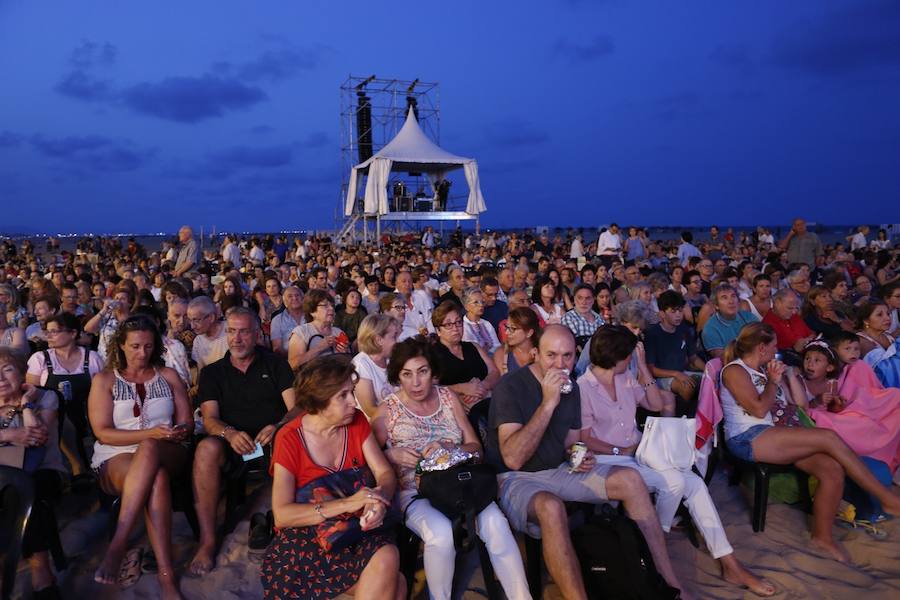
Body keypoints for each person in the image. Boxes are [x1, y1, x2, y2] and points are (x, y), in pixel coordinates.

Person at [487, 325, 687, 599]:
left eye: (568, 356)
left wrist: (579, 455)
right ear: (535, 353)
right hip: (515, 478)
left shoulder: (573, 387)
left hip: (558, 470)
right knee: (551, 507)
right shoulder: (511, 387)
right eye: (551, 355)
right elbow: (513, 458)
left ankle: (668, 582)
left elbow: (572, 443)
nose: (560, 364)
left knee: (631, 480)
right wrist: (548, 403)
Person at [578, 326, 774, 596]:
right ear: (620, 356)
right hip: (607, 461)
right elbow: (584, 437)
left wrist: (644, 369)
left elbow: (656, 403)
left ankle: (728, 561)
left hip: (638, 455)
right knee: (674, 481)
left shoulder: (625, 378)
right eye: (631, 355)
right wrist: (618, 452)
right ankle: (657, 537)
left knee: (693, 483)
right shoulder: (583, 387)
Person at [719, 323, 900, 563]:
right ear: (762, 347)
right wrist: (774, 381)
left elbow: (789, 407)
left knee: (832, 469)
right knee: (828, 437)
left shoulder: (763, 371)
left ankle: (822, 538)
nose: (776, 349)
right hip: (747, 437)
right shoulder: (735, 371)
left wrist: (780, 382)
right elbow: (759, 408)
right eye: (773, 345)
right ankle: (887, 499)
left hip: (773, 434)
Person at [373, 337, 531, 600]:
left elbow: (475, 447)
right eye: (407, 374)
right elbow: (367, 458)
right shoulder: (388, 410)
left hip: (458, 484)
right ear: (397, 376)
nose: (415, 382)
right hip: (415, 490)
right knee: (441, 534)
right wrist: (391, 454)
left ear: (433, 372)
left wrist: (451, 448)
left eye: (422, 372)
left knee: (497, 525)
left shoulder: (447, 397)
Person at [261, 355, 404, 599]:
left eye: (352, 392)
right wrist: (348, 503)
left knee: (388, 557)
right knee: (397, 585)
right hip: (308, 534)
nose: (353, 403)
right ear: (319, 402)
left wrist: (378, 499)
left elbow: (384, 473)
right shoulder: (289, 438)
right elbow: (283, 515)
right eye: (343, 396)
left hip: (357, 527)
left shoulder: (356, 422)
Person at [88, 315, 193, 599]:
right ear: (120, 345)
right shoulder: (104, 380)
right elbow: (103, 433)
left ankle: (118, 545)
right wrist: (151, 434)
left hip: (167, 449)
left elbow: (187, 422)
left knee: (150, 448)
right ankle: (167, 575)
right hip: (117, 454)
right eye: (135, 346)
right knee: (155, 477)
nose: (142, 353)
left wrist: (176, 431)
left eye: (148, 346)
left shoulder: (168, 375)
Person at [190, 307, 295, 575]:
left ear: (258, 333)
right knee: (206, 449)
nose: (237, 339)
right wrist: (229, 433)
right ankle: (208, 539)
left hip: (273, 440)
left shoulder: (275, 364)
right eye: (232, 331)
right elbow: (210, 419)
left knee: (293, 438)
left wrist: (278, 425)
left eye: (244, 331)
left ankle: (277, 524)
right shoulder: (213, 373)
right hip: (233, 443)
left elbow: (296, 409)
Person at [0, 347, 67, 599]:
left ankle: (41, 569)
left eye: (7, 370)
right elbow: (20, 437)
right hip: (3, 475)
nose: (1, 379)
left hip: (43, 471)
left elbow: (37, 437)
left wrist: (27, 405)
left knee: (26, 491)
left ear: (21, 374)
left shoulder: (46, 397)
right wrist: (8, 434)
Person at [26, 312, 104, 477]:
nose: (49, 336)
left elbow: (102, 394)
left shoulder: (92, 358)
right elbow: (32, 393)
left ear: (73, 333)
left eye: (54, 331)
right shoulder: (40, 359)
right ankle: (77, 466)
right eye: (47, 332)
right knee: (59, 415)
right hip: (52, 417)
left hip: (87, 414)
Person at [431, 301, 500, 416]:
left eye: (458, 322)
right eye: (448, 325)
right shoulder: (432, 354)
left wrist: (481, 387)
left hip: (487, 397)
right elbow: (431, 388)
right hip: (456, 408)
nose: (455, 328)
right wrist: (462, 388)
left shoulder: (473, 346)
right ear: (438, 330)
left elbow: (494, 372)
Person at [643, 291, 705, 410]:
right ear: (662, 314)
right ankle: (683, 413)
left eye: (680, 311)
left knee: (709, 381)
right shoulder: (653, 334)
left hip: (681, 373)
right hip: (661, 378)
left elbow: (693, 357)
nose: (678, 315)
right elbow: (651, 369)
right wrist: (676, 374)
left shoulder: (684, 329)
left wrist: (708, 370)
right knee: (687, 386)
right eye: (673, 311)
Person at [352, 314, 400, 419]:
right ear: (379, 340)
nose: (398, 341)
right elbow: (370, 410)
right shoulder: (361, 364)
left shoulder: (391, 358)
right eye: (394, 336)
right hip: (377, 424)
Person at [288, 289, 349, 370]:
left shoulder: (338, 332)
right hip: (312, 380)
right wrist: (319, 348)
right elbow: (292, 365)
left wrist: (345, 354)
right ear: (312, 311)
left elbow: (348, 363)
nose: (331, 308)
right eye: (325, 305)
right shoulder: (301, 332)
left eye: (332, 305)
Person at [701, 284, 759, 358]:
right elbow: (722, 357)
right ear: (716, 306)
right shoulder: (710, 328)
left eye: (733, 296)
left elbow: (763, 340)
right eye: (724, 298)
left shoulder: (749, 317)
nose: (731, 301)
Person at [84, 283, 134, 362]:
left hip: (124, 361)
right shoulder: (107, 317)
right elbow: (88, 329)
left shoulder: (134, 320)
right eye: (116, 298)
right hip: (103, 361)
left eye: (122, 299)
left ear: (129, 303)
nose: (118, 301)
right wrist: (104, 310)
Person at [762, 288, 816, 355]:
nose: (794, 312)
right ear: (777, 303)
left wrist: (808, 340)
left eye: (796, 308)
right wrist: (794, 349)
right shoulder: (767, 325)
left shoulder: (794, 316)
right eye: (789, 308)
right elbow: (771, 354)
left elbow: (811, 334)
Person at [493, 306, 540, 376]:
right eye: (507, 327)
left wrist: (538, 363)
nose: (507, 332)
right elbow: (504, 384)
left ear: (529, 333)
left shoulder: (542, 354)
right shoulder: (502, 354)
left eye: (513, 328)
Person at [187, 296, 228, 370]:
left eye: (196, 320)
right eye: (190, 320)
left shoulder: (230, 330)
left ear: (211, 317)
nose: (192, 326)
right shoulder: (198, 341)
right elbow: (201, 371)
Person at [561, 284, 603, 349]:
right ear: (574, 299)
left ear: (593, 300)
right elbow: (572, 345)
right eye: (580, 298)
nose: (584, 302)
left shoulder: (600, 320)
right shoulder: (569, 317)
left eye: (588, 298)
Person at [462, 286, 501, 355]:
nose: (481, 305)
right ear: (466, 306)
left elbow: (497, 346)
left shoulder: (486, 324)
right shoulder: (462, 326)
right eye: (476, 302)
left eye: (482, 302)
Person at [270, 285, 304, 356]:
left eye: (297, 295)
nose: (294, 298)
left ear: (303, 299)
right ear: (285, 302)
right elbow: (277, 348)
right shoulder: (277, 320)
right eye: (290, 296)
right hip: (288, 360)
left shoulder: (312, 316)